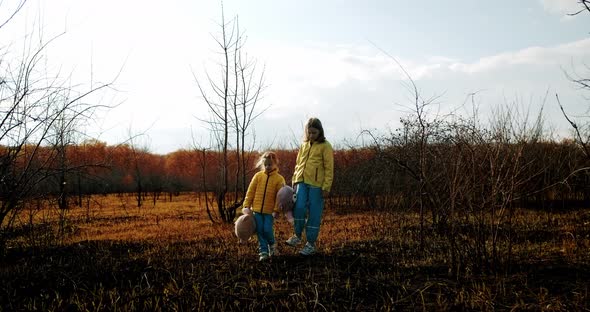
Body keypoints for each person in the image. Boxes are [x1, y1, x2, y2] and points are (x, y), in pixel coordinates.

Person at [285, 117, 334, 256]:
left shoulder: (325, 146)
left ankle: (310, 244)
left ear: (320, 131)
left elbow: (329, 168)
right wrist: (294, 179)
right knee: (298, 207)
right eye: (309, 132)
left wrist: (326, 186)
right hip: (301, 182)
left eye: (314, 132)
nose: (311, 135)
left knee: (314, 213)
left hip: (317, 185)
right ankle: (297, 235)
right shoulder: (304, 145)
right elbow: (298, 163)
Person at [243, 151, 286, 261]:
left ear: (275, 164)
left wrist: (276, 210)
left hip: (269, 212)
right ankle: (263, 252)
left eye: (270, 165)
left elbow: (281, 197)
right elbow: (250, 191)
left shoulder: (279, 179)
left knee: (267, 230)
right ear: (263, 164)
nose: (267, 167)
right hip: (256, 210)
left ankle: (272, 246)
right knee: (260, 231)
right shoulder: (258, 176)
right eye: (265, 165)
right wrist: (246, 205)